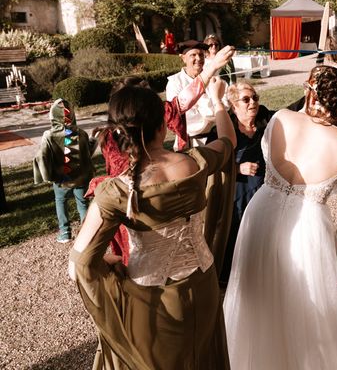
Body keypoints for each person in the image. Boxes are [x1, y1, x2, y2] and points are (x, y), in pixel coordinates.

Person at [68, 83, 237, 369]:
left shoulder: (118, 191)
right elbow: (228, 141)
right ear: (163, 125)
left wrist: (111, 261)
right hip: (204, 283)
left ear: (119, 132)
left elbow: (78, 266)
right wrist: (219, 102)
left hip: (153, 299)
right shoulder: (195, 163)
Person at [223, 65, 337, 369]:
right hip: (308, 227)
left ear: (311, 92)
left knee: (256, 292)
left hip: (262, 212)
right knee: (303, 304)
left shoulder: (281, 119)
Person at [88, 46, 235, 266]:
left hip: (125, 200)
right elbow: (223, 140)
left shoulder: (112, 136)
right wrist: (215, 90)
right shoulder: (191, 163)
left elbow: (82, 262)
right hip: (132, 200)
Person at [208, 82, 273, 283]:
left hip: (265, 192)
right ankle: (233, 277)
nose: (252, 102)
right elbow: (210, 164)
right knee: (235, 233)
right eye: (246, 99)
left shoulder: (267, 121)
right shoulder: (220, 130)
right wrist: (237, 168)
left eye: (255, 97)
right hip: (236, 193)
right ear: (233, 105)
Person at [33, 99, 96, 243]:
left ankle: (65, 233)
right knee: (83, 203)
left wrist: (46, 174)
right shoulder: (81, 133)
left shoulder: (48, 136)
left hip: (61, 179)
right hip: (80, 177)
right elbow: (87, 153)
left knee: (61, 202)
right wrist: (93, 139)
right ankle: (87, 234)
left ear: (52, 115)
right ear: (72, 114)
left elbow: (42, 156)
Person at [166, 40, 231, 148]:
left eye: (201, 54)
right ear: (183, 58)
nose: (199, 59)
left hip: (216, 138)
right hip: (191, 143)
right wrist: (214, 102)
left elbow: (226, 106)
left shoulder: (214, 78)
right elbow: (184, 117)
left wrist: (198, 105)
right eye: (193, 55)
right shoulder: (175, 82)